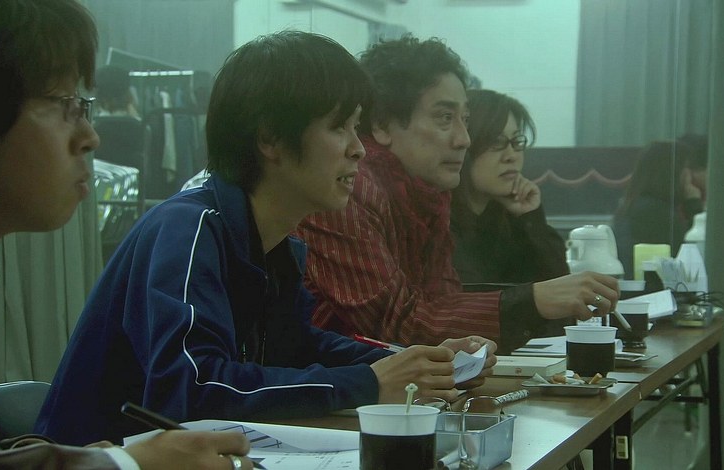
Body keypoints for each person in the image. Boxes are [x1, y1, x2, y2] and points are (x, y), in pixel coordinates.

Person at [36, 30, 496, 446]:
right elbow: (192, 386)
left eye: (357, 127)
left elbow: (299, 345)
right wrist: (370, 383)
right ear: (271, 138)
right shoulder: (189, 228)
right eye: (339, 127)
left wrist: (418, 362)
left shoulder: (278, 243)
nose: (358, 148)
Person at [0, 0, 254, 468]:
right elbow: (193, 382)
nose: (91, 137)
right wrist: (125, 465)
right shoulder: (189, 224)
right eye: (65, 104)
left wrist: (95, 460)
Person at [296, 35, 619, 354]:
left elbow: (443, 299)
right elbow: (398, 324)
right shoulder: (354, 188)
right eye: (445, 118)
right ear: (382, 125)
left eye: (465, 120)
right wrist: (532, 300)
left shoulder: (426, 197)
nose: (464, 139)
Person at [450, 89, 569, 285]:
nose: (511, 156)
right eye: (496, 142)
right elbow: (472, 293)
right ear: (465, 146)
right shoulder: (439, 220)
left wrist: (530, 218)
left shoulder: (507, 217)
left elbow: (560, 286)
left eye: (516, 141)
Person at [612, 137, 707, 277]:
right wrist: (693, 204)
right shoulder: (654, 212)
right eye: (687, 169)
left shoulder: (638, 205)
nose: (690, 176)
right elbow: (692, 256)